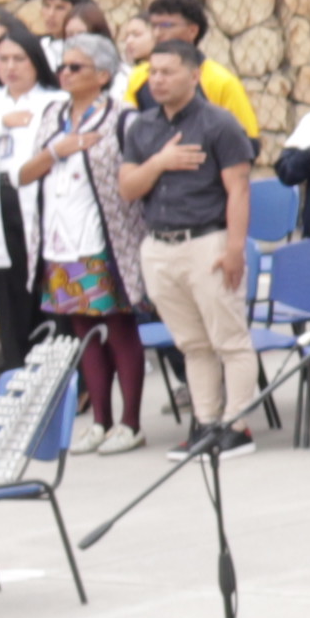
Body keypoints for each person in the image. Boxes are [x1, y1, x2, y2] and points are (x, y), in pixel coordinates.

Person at [110, 35, 255, 449]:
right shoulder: (143, 126)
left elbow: (239, 190)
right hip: (160, 245)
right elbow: (128, 188)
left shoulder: (219, 123)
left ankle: (238, 425)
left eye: (167, 71)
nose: (157, 80)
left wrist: (234, 249)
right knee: (192, 343)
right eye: (152, 72)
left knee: (229, 339)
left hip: (207, 241)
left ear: (193, 75)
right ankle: (206, 423)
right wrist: (160, 162)